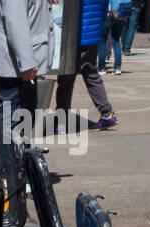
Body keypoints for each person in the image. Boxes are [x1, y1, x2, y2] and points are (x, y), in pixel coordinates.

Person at [0, 0, 53, 136]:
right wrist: (27, 62)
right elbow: (15, 22)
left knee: (17, 120)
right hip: (15, 66)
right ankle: (7, 156)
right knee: (13, 121)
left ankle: (11, 154)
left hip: (16, 64)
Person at [55, 0, 117, 130]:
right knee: (91, 73)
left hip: (74, 35)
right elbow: (105, 7)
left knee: (66, 77)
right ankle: (107, 112)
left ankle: (61, 120)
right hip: (92, 35)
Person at [98, 0, 131, 70]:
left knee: (102, 41)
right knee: (116, 41)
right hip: (121, 15)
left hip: (109, 15)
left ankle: (101, 68)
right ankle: (117, 68)